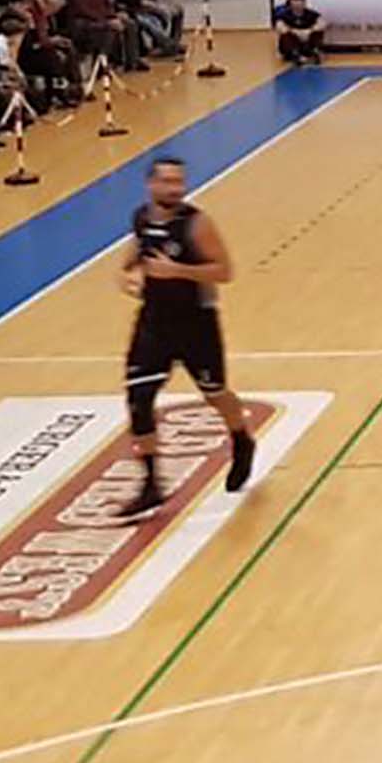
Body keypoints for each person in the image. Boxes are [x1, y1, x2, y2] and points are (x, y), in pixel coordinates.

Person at [117, 155, 260, 519]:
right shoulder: (142, 218)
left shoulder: (196, 224)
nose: (175, 188)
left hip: (196, 323)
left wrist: (176, 270)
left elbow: (224, 271)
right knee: (139, 398)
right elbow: (133, 255)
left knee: (215, 393)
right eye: (167, 182)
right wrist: (126, 275)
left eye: (178, 182)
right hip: (153, 322)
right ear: (151, 184)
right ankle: (152, 483)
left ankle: (241, 438)